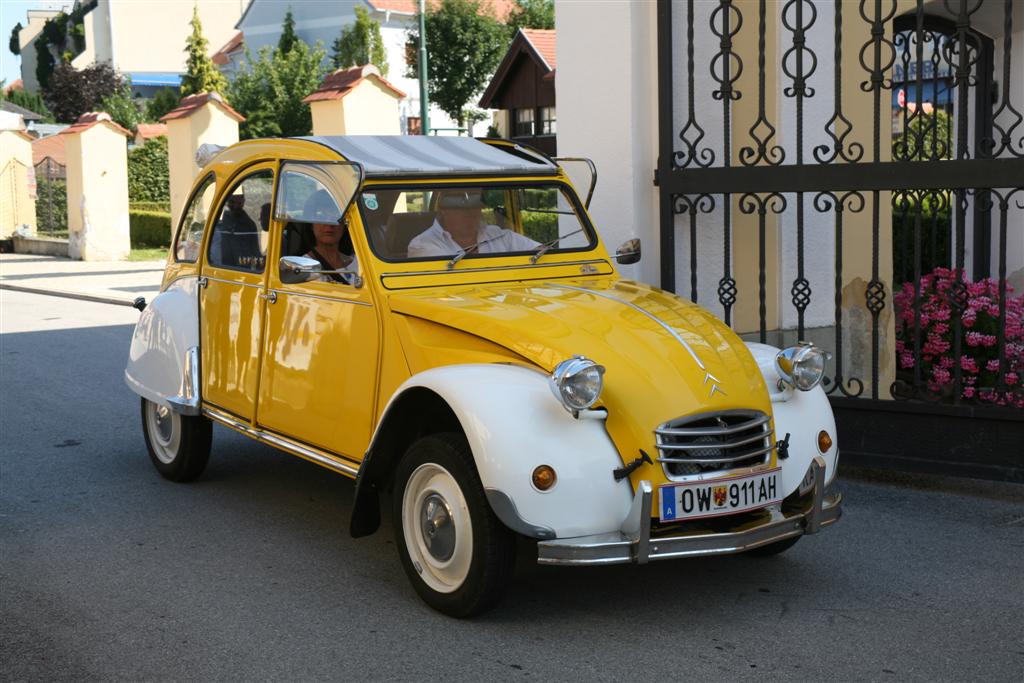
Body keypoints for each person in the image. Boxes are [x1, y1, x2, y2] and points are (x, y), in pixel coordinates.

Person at [407, 190, 539, 258]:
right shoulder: (422, 245)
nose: (469, 211)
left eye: (475, 203)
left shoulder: (498, 235)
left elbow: (543, 254)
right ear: (443, 210)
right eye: (459, 205)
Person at [302, 189, 358, 285]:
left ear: (345, 224)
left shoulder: (358, 262)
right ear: (311, 224)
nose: (329, 224)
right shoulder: (303, 266)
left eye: (336, 216)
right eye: (321, 215)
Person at [210, 191, 261, 269]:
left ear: (243, 202)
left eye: (239, 203)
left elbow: (255, 253)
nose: (235, 206)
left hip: (241, 272)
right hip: (220, 269)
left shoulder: (249, 225)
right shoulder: (219, 223)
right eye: (232, 202)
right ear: (227, 202)